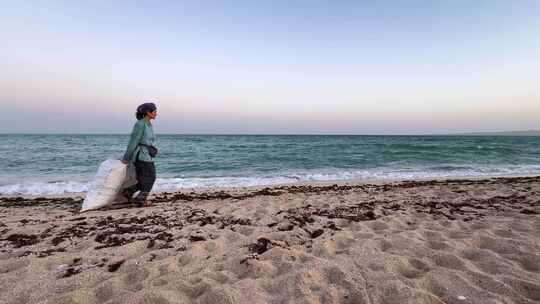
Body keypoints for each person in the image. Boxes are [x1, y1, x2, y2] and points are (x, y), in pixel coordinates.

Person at [120, 102, 158, 207]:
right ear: (147, 112)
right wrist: (126, 158)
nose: (156, 113)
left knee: (143, 179)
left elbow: (147, 140)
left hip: (147, 155)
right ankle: (140, 199)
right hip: (140, 155)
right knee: (151, 177)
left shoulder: (149, 124)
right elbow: (133, 141)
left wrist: (153, 148)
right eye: (154, 111)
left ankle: (127, 192)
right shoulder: (140, 124)